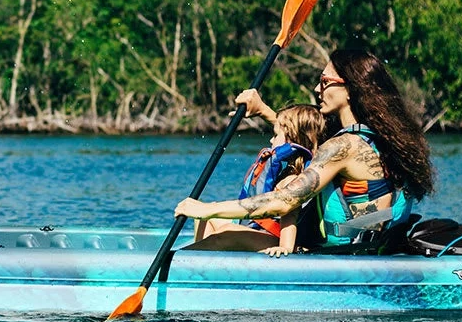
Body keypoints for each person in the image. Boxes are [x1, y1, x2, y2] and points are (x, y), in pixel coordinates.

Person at [177, 48, 434, 253]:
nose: (316, 89)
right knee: (218, 226)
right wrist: (264, 110)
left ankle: (175, 276)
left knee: (222, 236)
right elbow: (307, 139)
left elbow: (283, 201)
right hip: (369, 244)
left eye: (324, 82)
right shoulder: (381, 137)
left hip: (343, 254)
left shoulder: (343, 147)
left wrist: (207, 207)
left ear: (349, 89)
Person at [193, 101, 327, 255]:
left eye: (276, 135)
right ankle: (203, 260)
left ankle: (185, 261)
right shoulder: (286, 170)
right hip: (265, 229)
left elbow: (290, 215)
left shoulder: (294, 179)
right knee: (205, 217)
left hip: (281, 239)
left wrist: (285, 248)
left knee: (228, 232)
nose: (271, 140)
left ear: (293, 138)